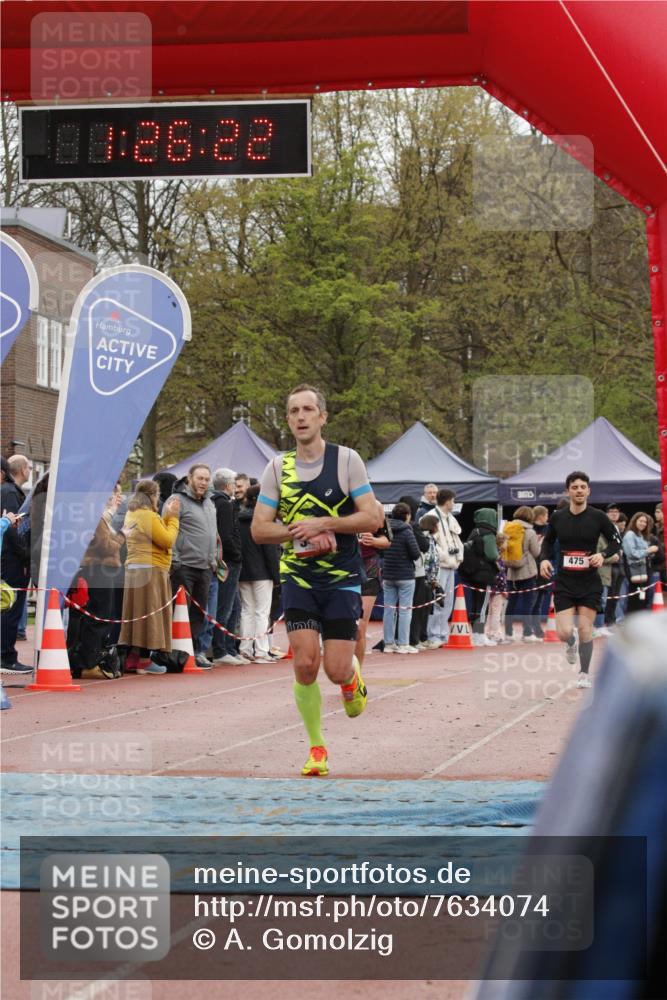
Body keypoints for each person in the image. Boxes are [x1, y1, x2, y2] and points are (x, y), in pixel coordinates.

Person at [252, 384, 380, 777]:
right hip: (298, 580)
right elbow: (259, 529)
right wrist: (298, 532)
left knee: (335, 669)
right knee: (305, 664)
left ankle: (351, 679)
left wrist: (327, 524)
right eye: (294, 411)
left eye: (308, 410)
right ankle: (317, 747)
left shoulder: (346, 461)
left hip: (341, 580)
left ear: (323, 417)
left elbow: (372, 519)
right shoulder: (277, 467)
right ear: (288, 419)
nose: (301, 417)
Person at [540, 471, 621, 688]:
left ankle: (584, 673)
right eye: (574, 487)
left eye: (582, 487)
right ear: (568, 491)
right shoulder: (558, 517)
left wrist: (601, 555)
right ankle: (570, 642)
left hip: (589, 582)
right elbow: (547, 543)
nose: (579, 490)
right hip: (565, 581)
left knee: (586, 629)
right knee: (564, 631)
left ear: (588, 490)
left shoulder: (598, 517)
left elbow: (616, 542)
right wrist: (544, 560)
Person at [119, 480, 181, 674]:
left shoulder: (132, 513)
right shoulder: (148, 516)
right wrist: (173, 518)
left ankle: (134, 657)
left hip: (135, 567)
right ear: (152, 495)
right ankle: (145, 660)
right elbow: (167, 540)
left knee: (137, 614)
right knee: (151, 614)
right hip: (151, 569)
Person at [66, 490, 126, 679]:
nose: (115, 498)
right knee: (98, 617)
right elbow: (106, 546)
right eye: (111, 494)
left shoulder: (87, 515)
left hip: (89, 569)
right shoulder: (95, 517)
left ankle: (82, 661)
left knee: (87, 617)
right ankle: (88, 663)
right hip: (98, 569)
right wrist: (123, 535)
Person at [168, 464, 217, 668]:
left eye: (207, 479)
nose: (204, 483)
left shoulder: (209, 503)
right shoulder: (176, 501)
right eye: (200, 478)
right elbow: (167, 528)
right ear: (189, 478)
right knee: (180, 611)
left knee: (199, 612)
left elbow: (213, 532)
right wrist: (176, 560)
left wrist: (213, 558)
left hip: (205, 567)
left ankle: (194, 652)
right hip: (184, 566)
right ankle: (175, 654)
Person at [237, 483, 281, 662]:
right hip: (262, 572)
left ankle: (245, 648)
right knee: (262, 612)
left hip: (243, 571)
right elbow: (270, 551)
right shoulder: (264, 520)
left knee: (247, 611)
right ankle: (262, 651)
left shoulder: (238, 518)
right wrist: (276, 575)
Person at [0, 455, 32, 674]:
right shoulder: (10, 493)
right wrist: (25, 556)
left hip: (9, 557)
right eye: (29, 467)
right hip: (13, 560)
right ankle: (7, 656)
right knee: (11, 605)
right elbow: (13, 527)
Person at [211, 468, 244, 666]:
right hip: (229, 561)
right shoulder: (223, 504)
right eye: (233, 483)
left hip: (228, 559)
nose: (235, 486)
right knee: (226, 606)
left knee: (234, 606)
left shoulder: (218, 502)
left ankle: (229, 647)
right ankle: (221, 649)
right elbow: (226, 533)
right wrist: (237, 554)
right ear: (226, 485)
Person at [354, 501, 391, 666]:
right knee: (341, 626)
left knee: (360, 628)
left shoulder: (375, 506)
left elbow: (387, 540)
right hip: (339, 568)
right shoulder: (334, 502)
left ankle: (356, 677)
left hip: (368, 567)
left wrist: (375, 541)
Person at [382, 502, 421, 654]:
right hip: (405, 575)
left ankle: (388, 643)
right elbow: (416, 554)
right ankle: (403, 643)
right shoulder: (407, 531)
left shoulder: (386, 529)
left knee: (388, 610)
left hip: (388, 574)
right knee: (405, 610)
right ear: (407, 515)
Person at [426, 489, 463, 647]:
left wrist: (459, 556)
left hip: (452, 566)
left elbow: (457, 540)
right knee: (437, 600)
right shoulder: (430, 517)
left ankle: (442, 633)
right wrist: (445, 557)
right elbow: (430, 542)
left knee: (447, 601)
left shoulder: (451, 519)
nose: (454, 504)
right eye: (453, 501)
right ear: (447, 501)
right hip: (439, 566)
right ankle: (433, 635)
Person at [459, 508, 500, 645]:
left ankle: (476, 634)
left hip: (472, 573)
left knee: (475, 605)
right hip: (485, 574)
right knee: (482, 606)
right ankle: (479, 635)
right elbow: (492, 555)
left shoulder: (474, 531)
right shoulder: (489, 534)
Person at [503, 506, 544, 642]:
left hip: (511, 572)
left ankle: (508, 633)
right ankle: (527, 633)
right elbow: (536, 552)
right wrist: (538, 542)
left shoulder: (508, 528)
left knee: (511, 603)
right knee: (527, 603)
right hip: (527, 572)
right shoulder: (530, 532)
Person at [622, 512, 658, 615]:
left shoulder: (641, 535)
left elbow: (644, 554)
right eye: (641, 521)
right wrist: (648, 551)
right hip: (633, 571)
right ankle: (631, 621)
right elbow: (631, 554)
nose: (643, 524)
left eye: (645, 522)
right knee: (634, 598)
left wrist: (651, 553)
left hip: (643, 571)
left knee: (641, 598)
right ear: (634, 521)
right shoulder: (630, 535)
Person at [603, 503, 625, 627]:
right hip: (609, 565)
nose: (614, 513)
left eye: (616, 511)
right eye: (611, 511)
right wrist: (612, 556)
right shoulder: (604, 526)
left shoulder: (616, 527)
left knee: (615, 594)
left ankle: (611, 620)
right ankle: (607, 621)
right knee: (609, 594)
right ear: (607, 513)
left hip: (618, 564)